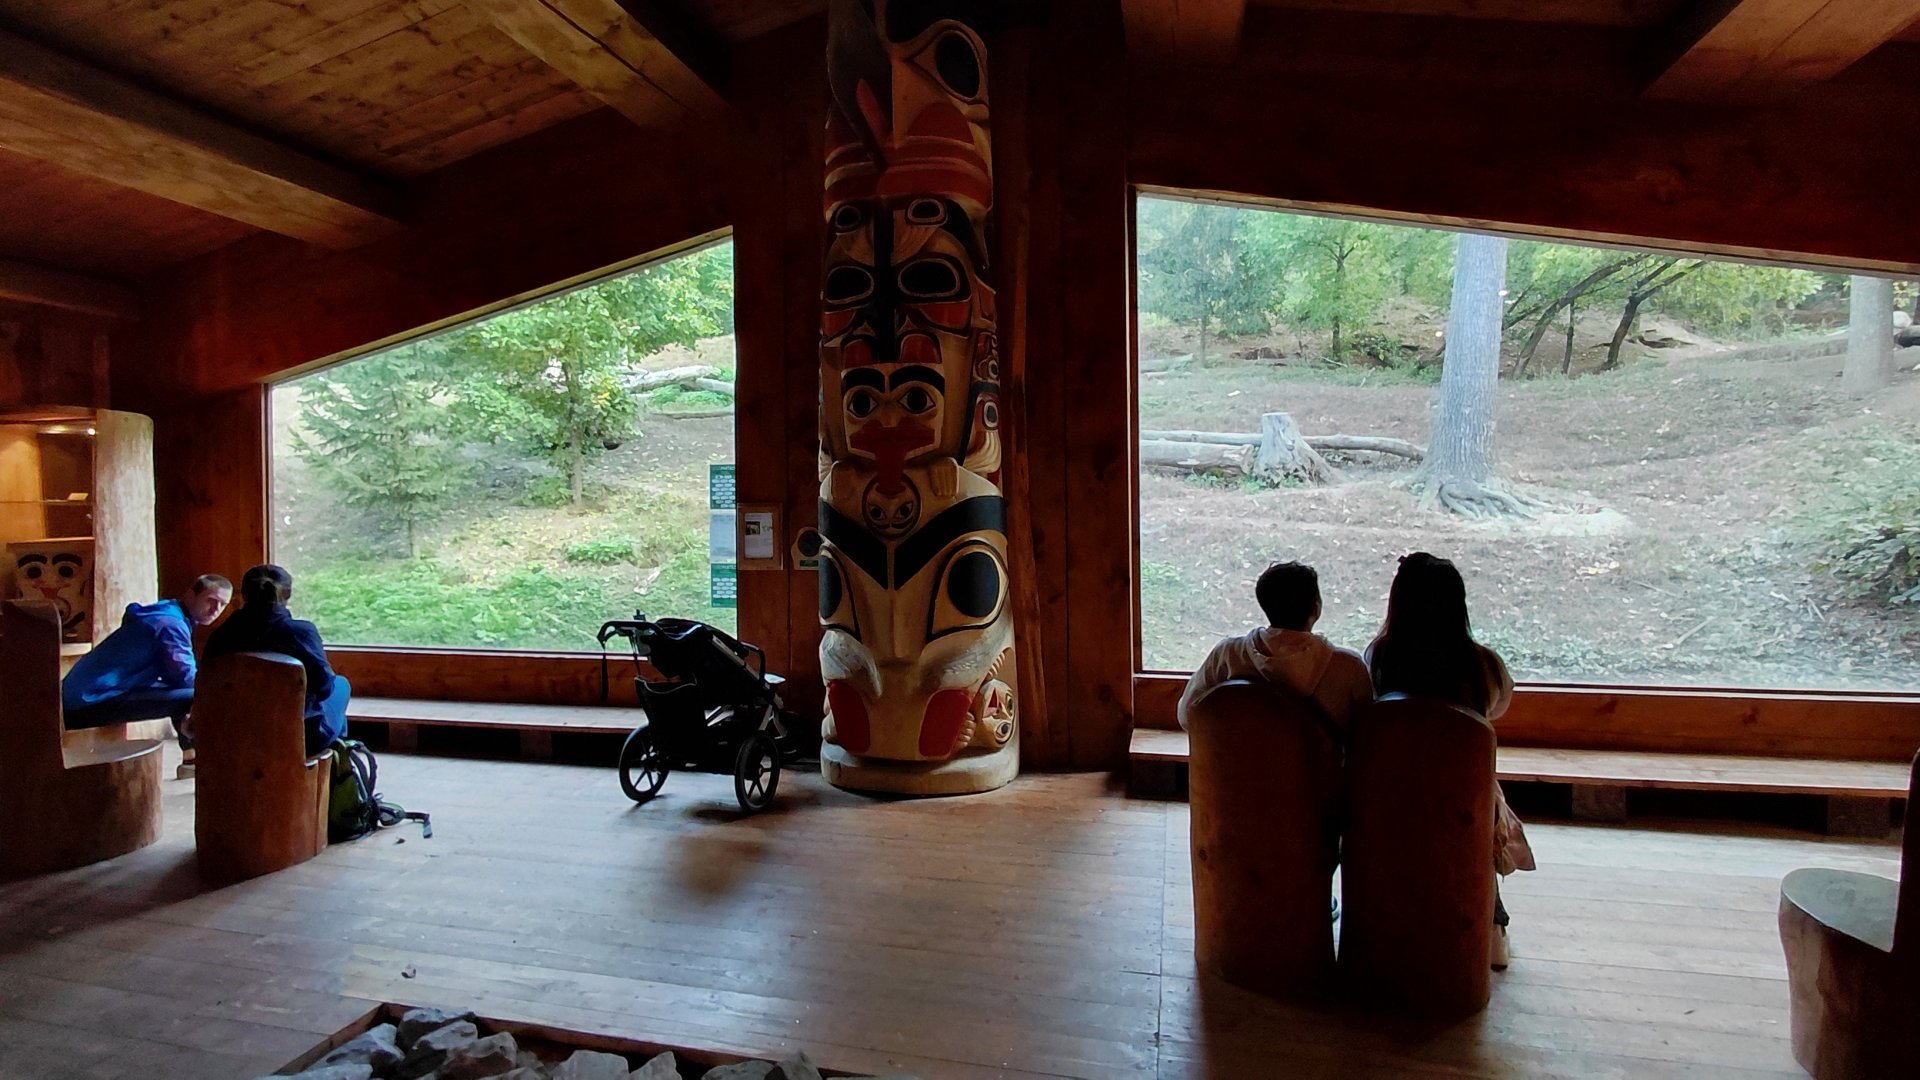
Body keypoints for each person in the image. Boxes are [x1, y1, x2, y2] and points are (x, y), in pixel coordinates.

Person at [1365, 551, 1536, 970]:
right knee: (1482, 806)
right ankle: (1492, 927)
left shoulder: (1379, 656)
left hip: (1394, 793)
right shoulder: (1482, 665)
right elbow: (1495, 708)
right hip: (1463, 797)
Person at [63, 574, 233, 778]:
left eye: (222, 605)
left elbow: (177, 676)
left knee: (187, 693)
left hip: (86, 695)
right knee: (193, 696)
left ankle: (192, 758)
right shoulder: (170, 623)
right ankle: (199, 761)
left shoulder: (167, 611)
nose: (216, 610)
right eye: (211, 601)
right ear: (191, 595)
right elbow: (187, 677)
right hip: (88, 702)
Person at [1177, 561, 1373, 736]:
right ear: (1316, 609)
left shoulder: (1228, 655)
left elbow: (1187, 716)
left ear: (1264, 605)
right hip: (1315, 777)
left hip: (1235, 775)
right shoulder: (1348, 666)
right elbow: (1367, 735)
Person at [204, 564, 348, 756]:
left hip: (233, 734)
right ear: (287, 594)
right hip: (300, 737)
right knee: (340, 685)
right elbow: (324, 688)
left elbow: (207, 687)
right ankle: (338, 772)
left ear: (244, 595)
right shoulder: (300, 632)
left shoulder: (220, 636)